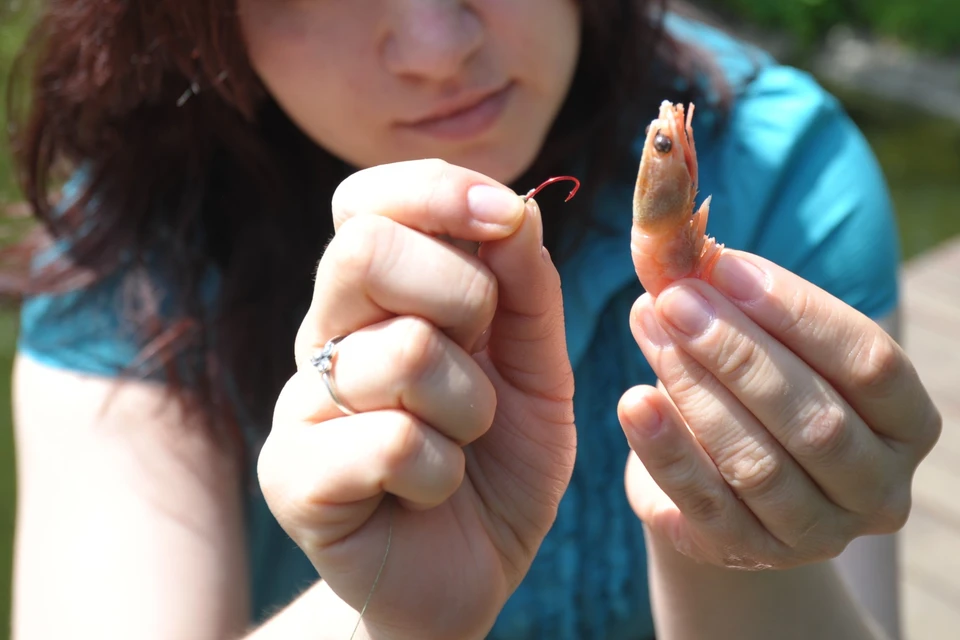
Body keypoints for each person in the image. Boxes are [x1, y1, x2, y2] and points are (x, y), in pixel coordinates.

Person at [5, 1, 941, 639]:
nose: (436, 43)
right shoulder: (124, 252)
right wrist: (378, 616)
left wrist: (733, 533)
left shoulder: (785, 172)